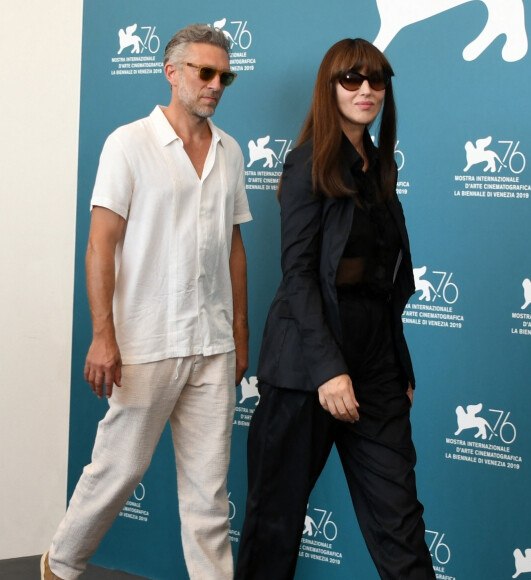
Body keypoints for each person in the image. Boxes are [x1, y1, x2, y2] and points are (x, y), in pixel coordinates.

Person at [41, 24, 252, 580]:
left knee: (209, 493)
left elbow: (234, 246)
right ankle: (59, 566)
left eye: (223, 76)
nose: (214, 85)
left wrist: (241, 333)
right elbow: (100, 245)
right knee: (119, 468)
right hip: (146, 339)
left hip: (213, 343)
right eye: (204, 73)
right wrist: (103, 334)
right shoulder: (127, 143)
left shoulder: (229, 151)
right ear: (172, 72)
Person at [235, 38, 435, 580]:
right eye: (352, 79)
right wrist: (329, 370)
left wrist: (400, 367)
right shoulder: (307, 166)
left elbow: (384, 284)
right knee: (273, 524)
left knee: (401, 522)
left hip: (376, 364)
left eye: (376, 80)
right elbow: (298, 276)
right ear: (330, 88)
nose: (366, 90)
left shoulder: (379, 168)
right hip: (307, 363)